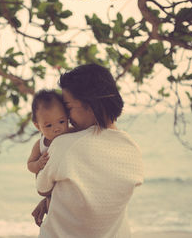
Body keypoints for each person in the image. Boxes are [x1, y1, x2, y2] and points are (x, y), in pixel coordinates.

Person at [35, 63, 144, 238]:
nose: (67, 117)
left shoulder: (65, 145)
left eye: (69, 107)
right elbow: (96, 200)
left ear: (91, 105)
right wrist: (52, 201)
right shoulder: (132, 149)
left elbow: (42, 187)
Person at [27, 89, 72, 226]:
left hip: (64, 184)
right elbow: (30, 165)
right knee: (52, 206)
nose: (57, 128)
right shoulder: (40, 145)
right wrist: (39, 163)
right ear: (37, 126)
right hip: (48, 187)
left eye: (61, 121)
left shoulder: (71, 133)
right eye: (49, 125)